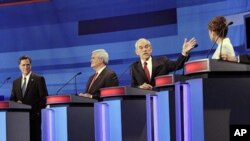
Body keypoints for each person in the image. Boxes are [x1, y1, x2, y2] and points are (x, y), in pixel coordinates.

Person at [130, 37, 197, 90]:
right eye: (141, 48)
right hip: (143, 101)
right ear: (136, 52)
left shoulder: (162, 61)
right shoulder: (134, 67)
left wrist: (184, 53)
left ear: (151, 49)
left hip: (162, 97)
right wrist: (140, 87)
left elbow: (177, 65)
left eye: (147, 46)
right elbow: (133, 86)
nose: (144, 49)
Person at [10, 55, 48, 141]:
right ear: (19, 66)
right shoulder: (15, 82)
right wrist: (16, 104)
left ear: (31, 65)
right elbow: (12, 100)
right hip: (20, 119)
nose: (26, 67)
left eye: (28, 64)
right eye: (23, 65)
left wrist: (37, 114)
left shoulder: (39, 79)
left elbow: (44, 98)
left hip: (34, 119)